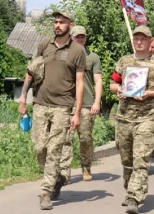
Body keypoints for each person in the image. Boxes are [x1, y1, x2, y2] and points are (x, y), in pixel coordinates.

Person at [18, 11, 86, 210]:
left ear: (70, 25)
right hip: (40, 104)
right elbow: (31, 73)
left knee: (55, 149)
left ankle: (46, 192)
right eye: (55, 22)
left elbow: (80, 83)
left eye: (61, 22)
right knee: (40, 148)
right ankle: (57, 177)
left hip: (63, 107)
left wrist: (77, 112)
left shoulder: (77, 51)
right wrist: (23, 97)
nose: (57, 25)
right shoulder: (43, 45)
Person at [110, 26, 154, 214]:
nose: (139, 42)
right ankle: (130, 189)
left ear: (149, 41)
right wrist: (119, 89)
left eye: (143, 39)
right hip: (124, 117)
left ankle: (134, 197)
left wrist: (150, 94)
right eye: (136, 38)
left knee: (141, 159)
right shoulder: (124, 61)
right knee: (127, 159)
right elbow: (113, 83)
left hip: (147, 117)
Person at [58, 26, 103, 184]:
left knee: (85, 138)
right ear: (71, 37)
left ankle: (86, 166)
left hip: (86, 104)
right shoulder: (64, 55)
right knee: (65, 139)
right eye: (77, 37)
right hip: (67, 103)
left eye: (83, 37)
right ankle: (64, 172)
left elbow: (98, 81)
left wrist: (97, 102)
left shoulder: (93, 57)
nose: (80, 39)